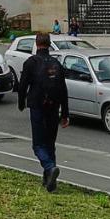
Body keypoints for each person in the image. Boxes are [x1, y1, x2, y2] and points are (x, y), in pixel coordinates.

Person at [17, 32, 69, 192]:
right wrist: (65, 113)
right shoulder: (56, 64)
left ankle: (49, 167)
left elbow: (22, 85)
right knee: (50, 143)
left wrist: (21, 103)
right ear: (49, 44)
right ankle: (49, 181)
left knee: (38, 144)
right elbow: (63, 89)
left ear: (36, 44)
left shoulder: (31, 62)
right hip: (53, 106)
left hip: (37, 105)